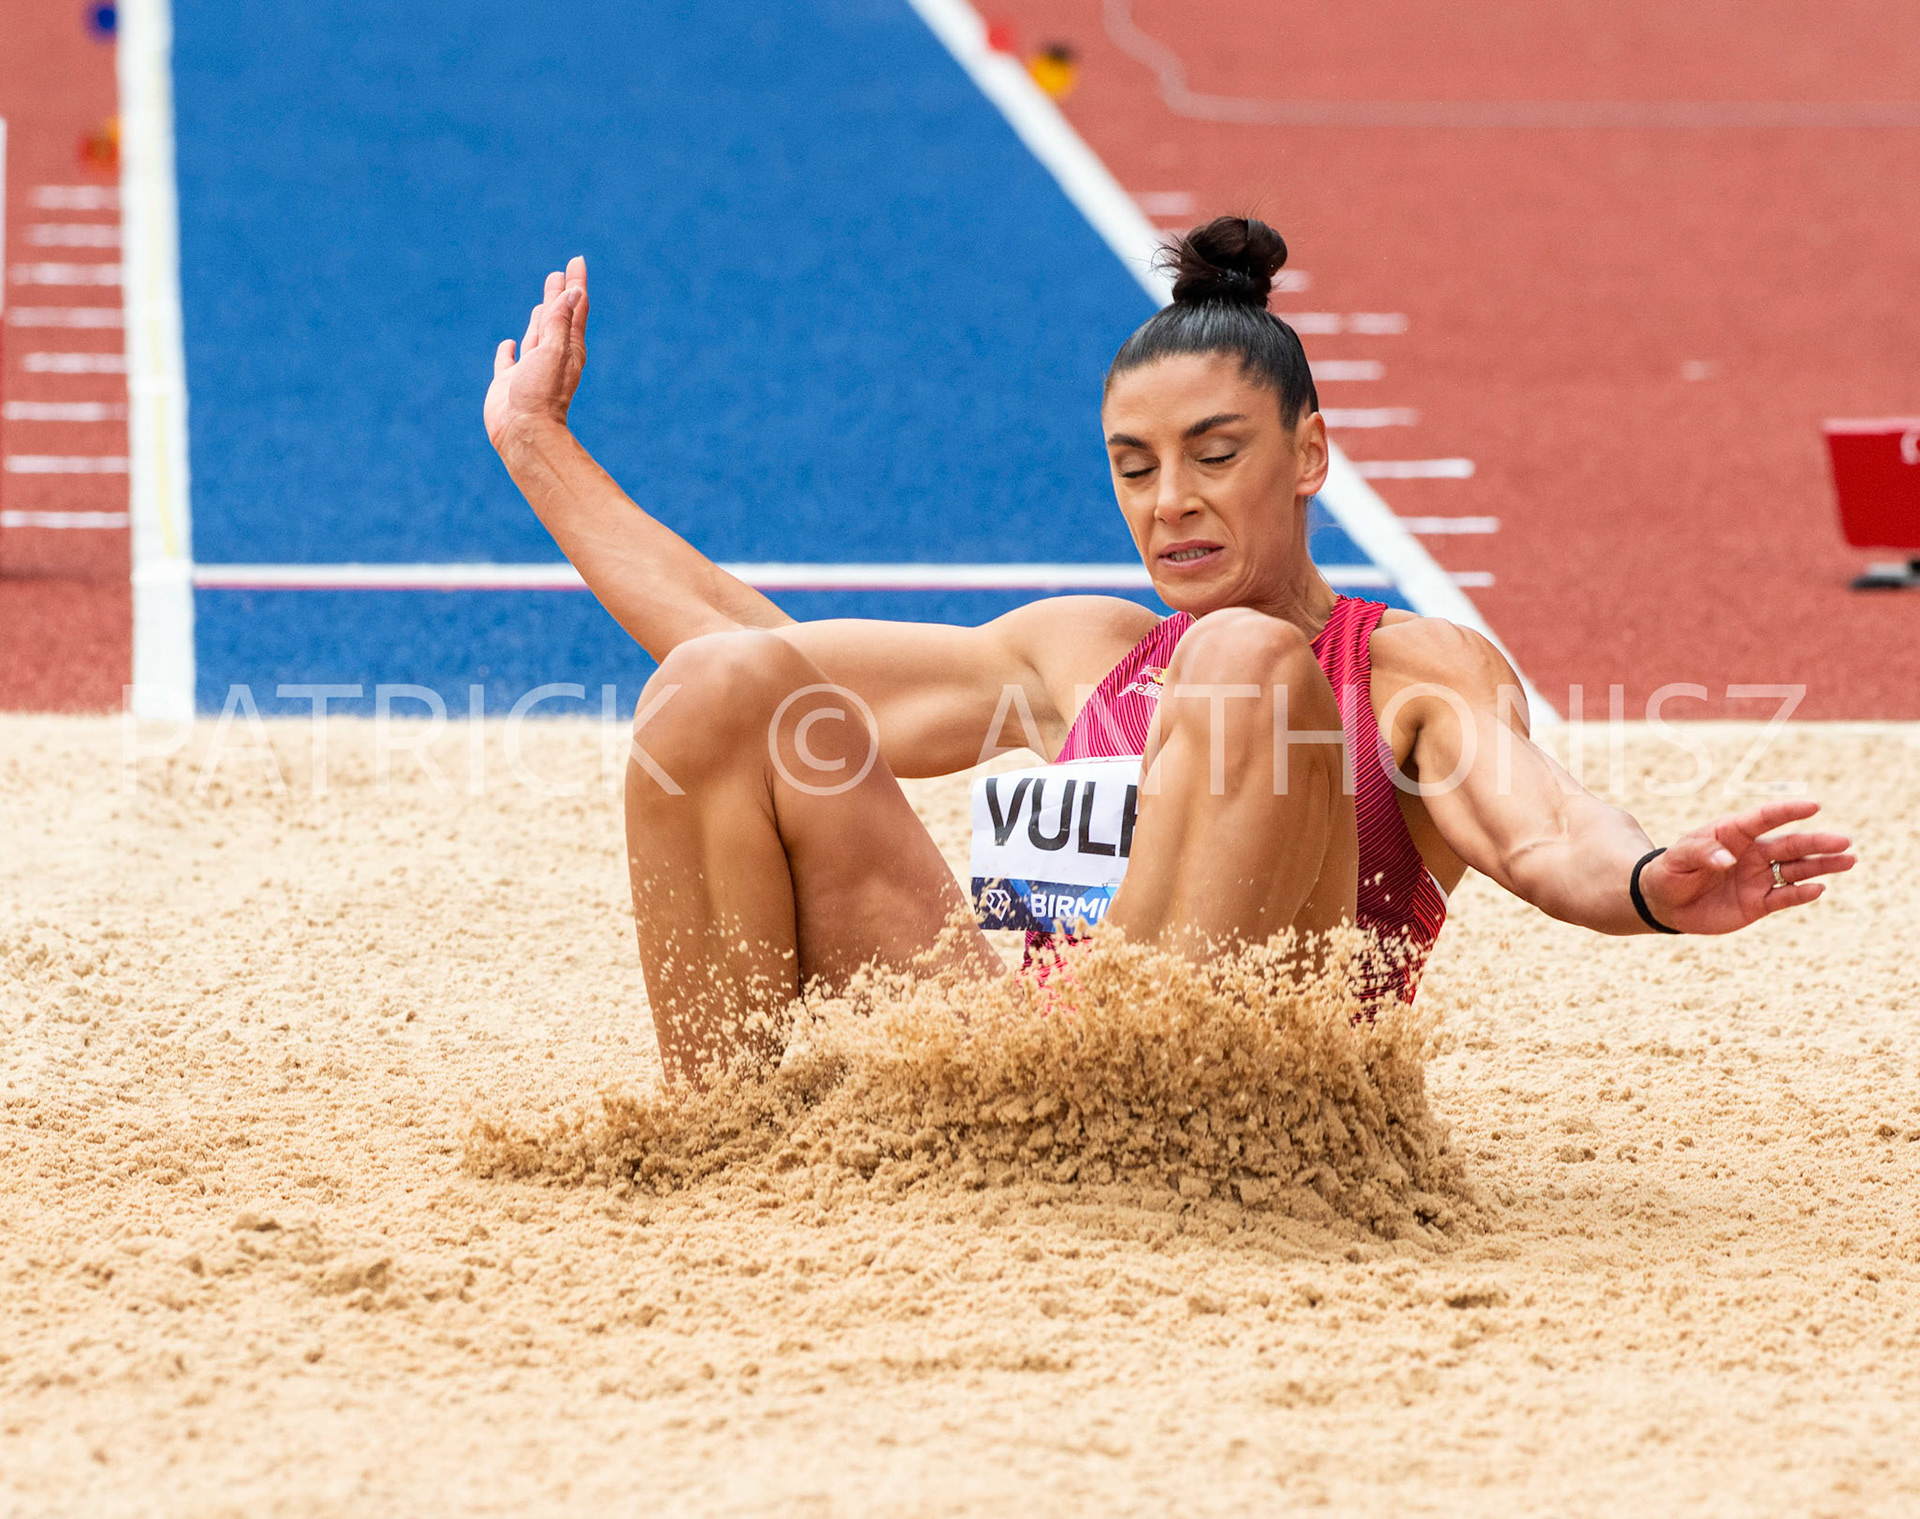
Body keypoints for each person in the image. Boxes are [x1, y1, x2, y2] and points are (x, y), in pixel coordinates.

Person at [484, 220, 1855, 1085]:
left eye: (1214, 455)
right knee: (722, 688)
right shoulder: (1086, 651)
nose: (1168, 503)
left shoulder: (1415, 671)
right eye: (1134, 467)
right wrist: (537, 451)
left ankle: (1116, 1091)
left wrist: (1648, 884)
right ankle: (719, 1141)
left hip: (1228, 1117)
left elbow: (1541, 827)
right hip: (1008, 1073)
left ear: (1309, 453)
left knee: (1247, 659)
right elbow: (762, 676)